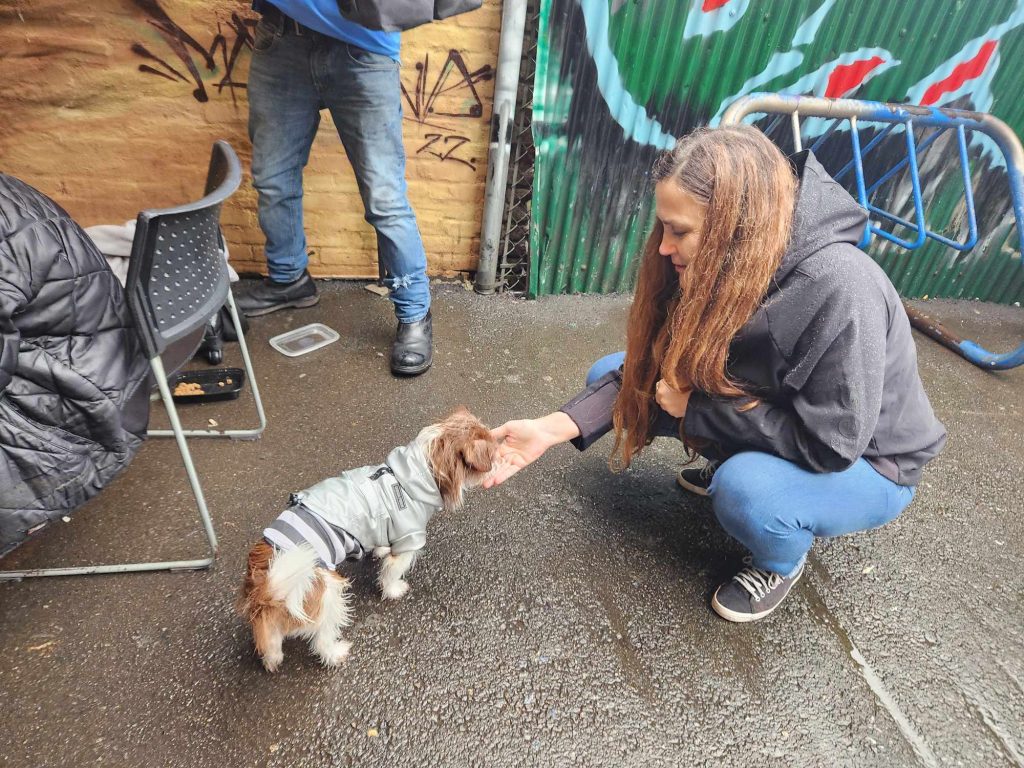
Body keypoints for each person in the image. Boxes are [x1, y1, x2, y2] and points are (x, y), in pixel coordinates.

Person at [484, 125, 947, 623]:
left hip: (868, 465)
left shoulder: (840, 288)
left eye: (679, 231)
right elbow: (654, 370)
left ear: (737, 225)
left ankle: (779, 561)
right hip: (779, 411)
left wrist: (703, 412)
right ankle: (734, 454)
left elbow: (832, 445)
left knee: (746, 489)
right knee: (615, 374)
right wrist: (548, 429)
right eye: (663, 226)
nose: (662, 246)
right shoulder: (741, 258)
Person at [239, 0, 433, 376]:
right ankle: (288, 281)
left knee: (384, 198)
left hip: (363, 47)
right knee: (273, 179)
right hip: (281, 40)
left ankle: (414, 313)